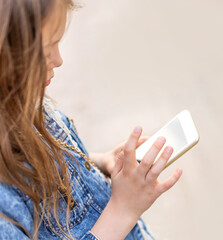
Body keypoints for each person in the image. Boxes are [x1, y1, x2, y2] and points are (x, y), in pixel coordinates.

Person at [0, 0, 183, 239]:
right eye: (46, 51)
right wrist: (123, 210)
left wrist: (99, 162)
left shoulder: (20, 101)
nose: (58, 59)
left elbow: (46, 175)